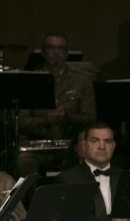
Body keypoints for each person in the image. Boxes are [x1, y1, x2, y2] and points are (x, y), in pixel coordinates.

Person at [19, 32, 96, 176]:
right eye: (51, 48)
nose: (56, 52)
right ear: (43, 52)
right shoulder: (30, 80)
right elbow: (21, 122)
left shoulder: (81, 80)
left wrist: (68, 117)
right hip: (38, 145)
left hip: (71, 144)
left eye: (61, 48)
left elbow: (90, 118)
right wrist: (46, 120)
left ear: (66, 53)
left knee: (90, 157)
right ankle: (34, 198)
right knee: (23, 161)